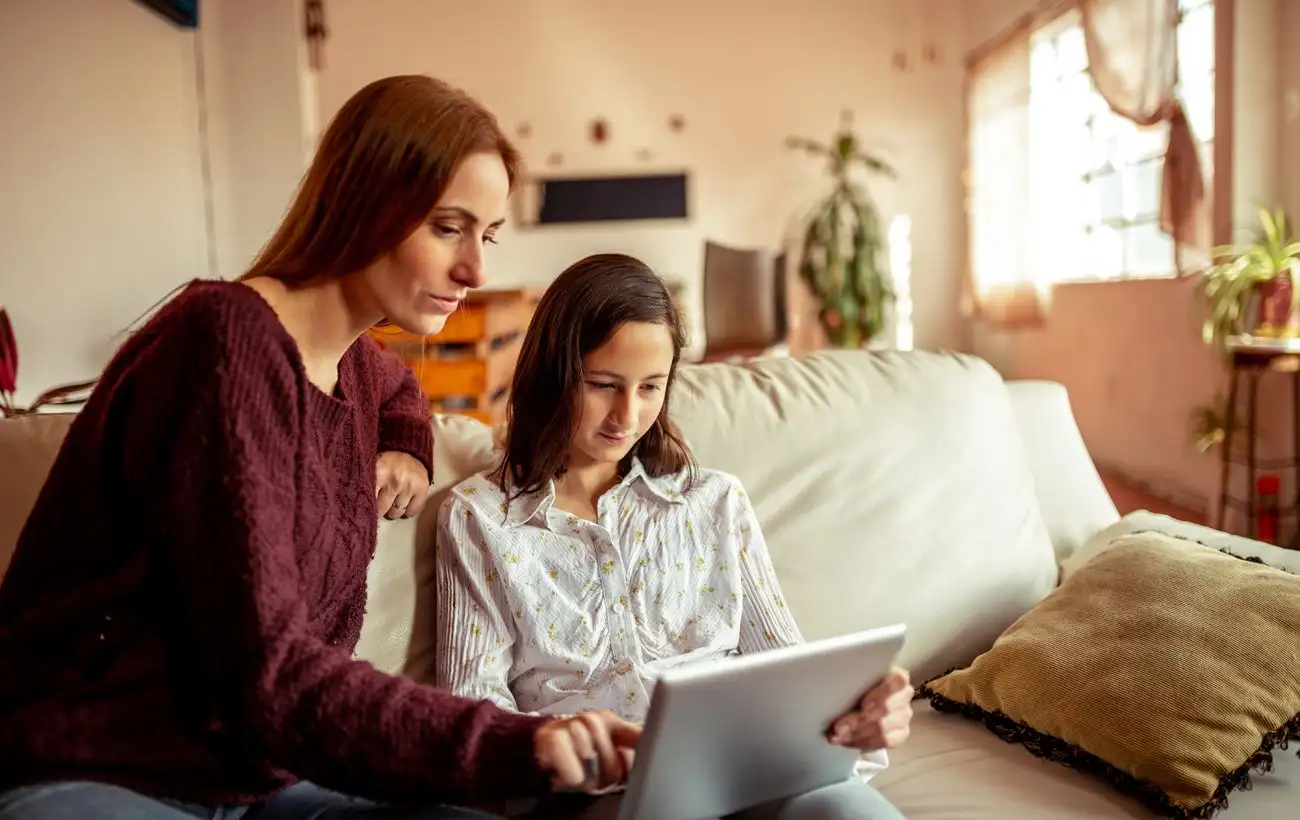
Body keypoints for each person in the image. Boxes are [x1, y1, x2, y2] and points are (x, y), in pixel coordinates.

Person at [0, 76, 638, 820]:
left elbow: (400, 390)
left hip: (253, 776)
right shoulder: (224, 341)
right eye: (447, 227)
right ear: (367, 200)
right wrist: (513, 744)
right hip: (103, 766)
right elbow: (267, 672)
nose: (476, 271)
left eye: (487, 235)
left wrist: (404, 444)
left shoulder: (359, 365)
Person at [433, 254, 912, 819]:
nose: (626, 417)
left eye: (651, 387)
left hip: (747, 768)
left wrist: (862, 712)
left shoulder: (715, 502)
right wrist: (566, 753)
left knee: (850, 812)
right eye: (604, 385)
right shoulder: (480, 518)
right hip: (602, 796)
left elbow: (786, 675)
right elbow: (474, 713)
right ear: (554, 374)